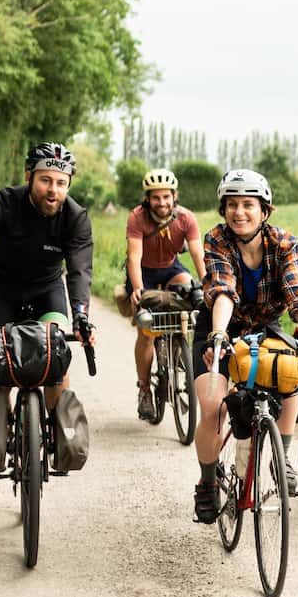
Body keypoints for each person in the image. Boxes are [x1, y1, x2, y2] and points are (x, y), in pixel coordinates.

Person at [191, 168, 298, 523]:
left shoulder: (283, 242)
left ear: (264, 210)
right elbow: (223, 291)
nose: (239, 212)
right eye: (232, 205)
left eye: (248, 204)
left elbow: (296, 291)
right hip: (219, 325)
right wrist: (218, 334)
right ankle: (206, 483)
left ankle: (283, 456)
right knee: (213, 408)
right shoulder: (217, 239)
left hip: (265, 327)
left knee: (291, 372)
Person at [0, 142, 96, 411]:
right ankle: (3, 432)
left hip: (47, 291)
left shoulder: (75, 218)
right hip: (4, 289)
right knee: (1, 370)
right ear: (29, 176)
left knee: (56, 367)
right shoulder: (6, 201)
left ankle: (58, 438)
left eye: (61, 183)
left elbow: (79, 270)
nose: (53, 190)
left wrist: (81, 316)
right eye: (45, 181)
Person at [123, 167, 206, 420]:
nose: (162, 202)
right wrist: (137, 288)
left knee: (191, 293)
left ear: (174, 196)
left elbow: (197, 254)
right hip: (144, 272)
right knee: (147, 332)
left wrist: (206, 283)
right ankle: (145, 389)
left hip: (171, 269)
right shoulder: (137, 218)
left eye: (166, 197)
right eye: (156, 197)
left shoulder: (186, 218)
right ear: (148, 198)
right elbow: (134, 256)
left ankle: (177, 351)